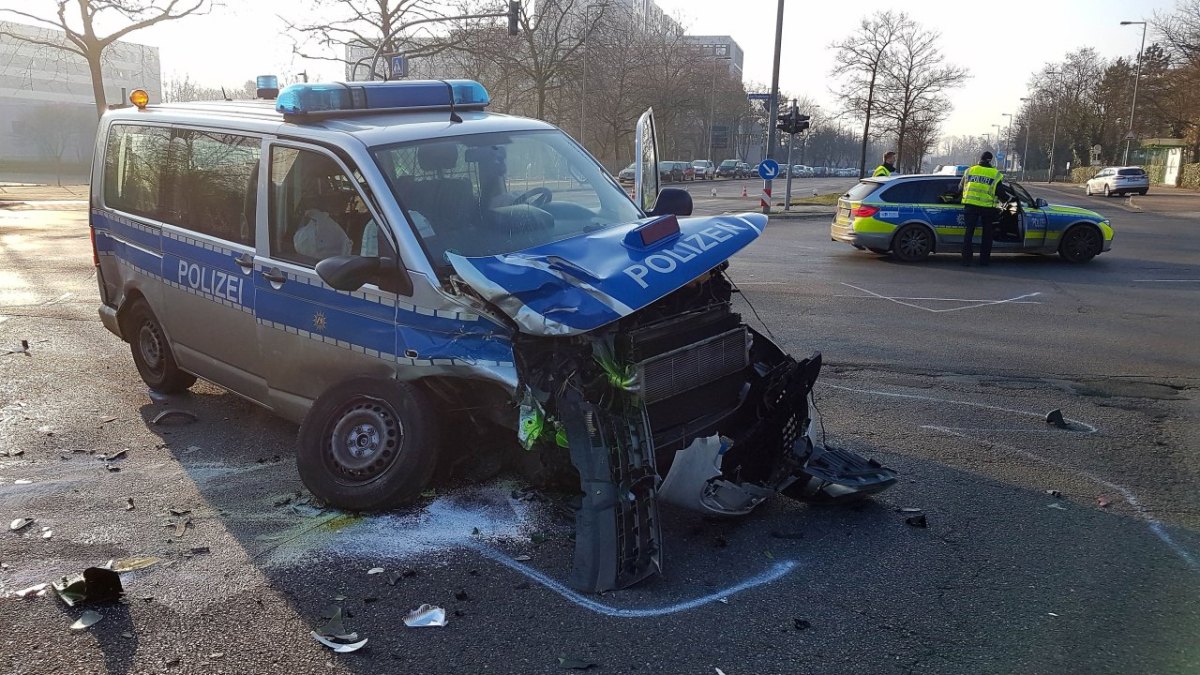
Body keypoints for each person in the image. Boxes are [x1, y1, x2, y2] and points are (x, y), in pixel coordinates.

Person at [959, 151, 1004, 267]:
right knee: (987, 234)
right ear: (990, 160)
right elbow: (1000, 193)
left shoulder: (969, 170)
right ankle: (984, 261)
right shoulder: (995, 174)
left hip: (970, 206)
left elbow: (960, 188)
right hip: (987, 208)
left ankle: (966, 260)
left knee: (968, 233)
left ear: (980, 159)